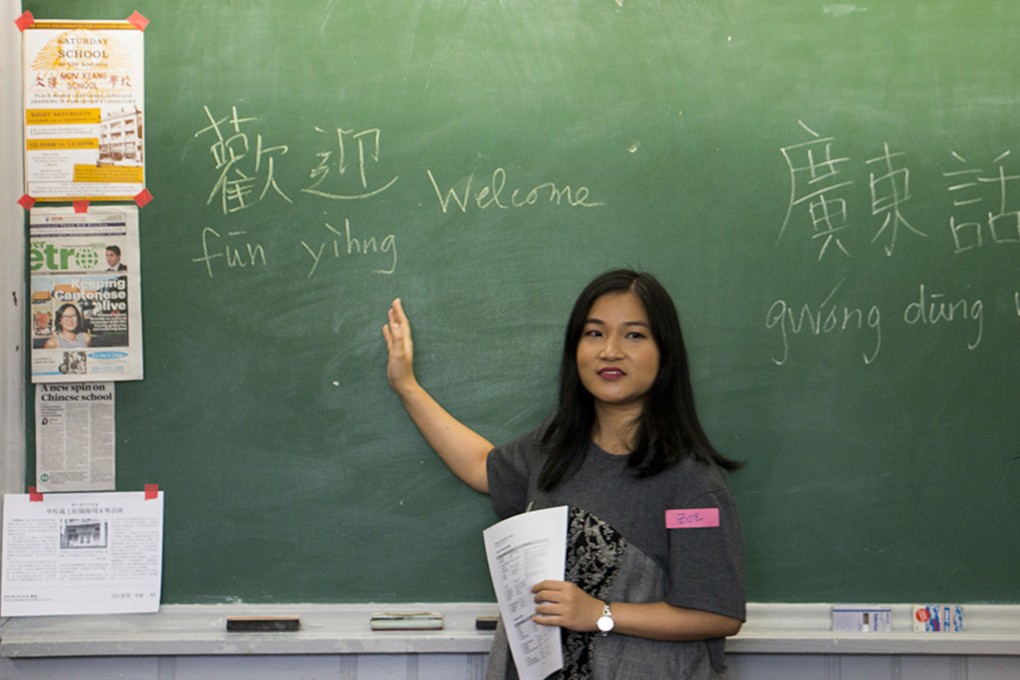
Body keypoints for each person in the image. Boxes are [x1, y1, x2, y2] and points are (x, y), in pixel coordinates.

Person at [383, 269, 746, 680]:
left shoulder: (690, 481)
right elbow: (481, 466)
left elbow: (717, 614)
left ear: (665, 353)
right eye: (594, 334)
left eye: (634, 335)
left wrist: (600, 614)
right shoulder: (557, 444)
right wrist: (406, 386)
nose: (610, 351)